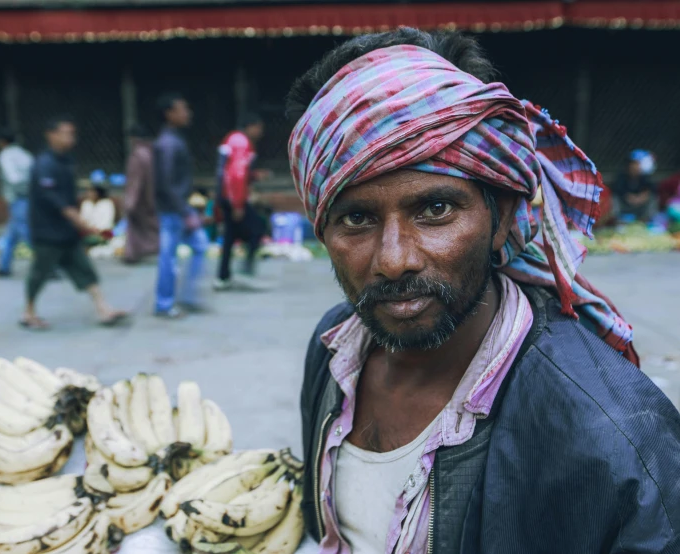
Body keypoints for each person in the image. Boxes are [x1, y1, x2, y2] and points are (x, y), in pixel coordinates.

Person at [287, 29, 680, 552]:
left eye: (435, 209)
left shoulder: (617, 441)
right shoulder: (333, 346)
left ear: (503, 218)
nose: (394, 259)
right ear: (323, 231)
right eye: (356, 218)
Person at [22, 115, 127, 330]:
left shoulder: (66, 161)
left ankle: (103, 308)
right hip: (47, 230)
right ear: (51, 135)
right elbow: (57, 202)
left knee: (83, 268)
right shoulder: (44, 165)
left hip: (66, 230)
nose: (70, 138)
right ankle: (28, 311)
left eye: (72, 134)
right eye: (65, 133)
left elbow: (70, 198)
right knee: (40, 273)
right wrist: (85, 225)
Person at [153, 93, 209, 317]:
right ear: (169, 114)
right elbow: (165, 182)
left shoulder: (174, 139)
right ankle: (164, 304)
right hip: (172, 210)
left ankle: (186, 296)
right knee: (169, 255)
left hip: (177, 208)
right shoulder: (167, 143)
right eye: (182, 109)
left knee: (199, 246)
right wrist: (183, 211)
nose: (187, 113)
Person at [213, 113, 269, 290]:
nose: (260, 132)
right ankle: (244, 269)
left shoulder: (233, 139)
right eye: (259, 128)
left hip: (225, 195)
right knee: (258, 228)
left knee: (230, 236)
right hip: (233, 197)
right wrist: (237, 203)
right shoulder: (241, 142)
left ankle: (223, 276)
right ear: (250, 126)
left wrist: (253, 176)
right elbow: (236, 174)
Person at [0, 129, 35, 277]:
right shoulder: (24, 154)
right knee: (12, 234)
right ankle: (4, 266)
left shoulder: (5, 156)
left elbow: (13, 178)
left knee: (26, 232)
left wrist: (18, 190)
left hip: (18, 198)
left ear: (3, 142)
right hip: (28, 196)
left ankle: (47, 266)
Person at [123, 124, 159, 264]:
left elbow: (135, 181)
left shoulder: (138, 155)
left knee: (135, 227)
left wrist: (130, 202)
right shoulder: (152, 153)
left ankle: (132, 254)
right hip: (152, 197)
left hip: (140, 199)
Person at [612, 150, 657, 222]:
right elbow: (618, 190)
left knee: (653, 198)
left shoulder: (646, 177)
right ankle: (618, 221)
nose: (636, 167)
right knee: (614, 198)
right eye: (634, 164)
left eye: (638, 164)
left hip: (641, 205)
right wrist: (630, 197)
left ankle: (647, 220)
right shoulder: (621, 176)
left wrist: (641, 197)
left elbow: (650, 189)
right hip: (626, 205)